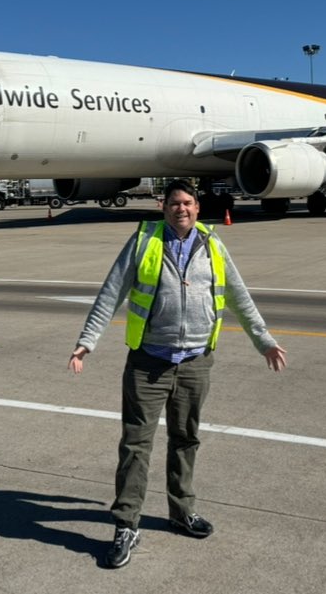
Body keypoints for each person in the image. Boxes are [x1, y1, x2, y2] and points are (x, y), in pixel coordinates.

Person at [68, 179, 287, 569]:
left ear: (197, 208)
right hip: (149, 362)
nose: (180, 209)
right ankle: (126, 524)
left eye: (187, 203)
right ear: (163, 207)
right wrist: (88, 340)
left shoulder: (214, 245)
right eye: (173, 203)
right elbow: (111, 291)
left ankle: (181, 510)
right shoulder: (143, 241)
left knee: (186, 439)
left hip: (195, 362)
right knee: (136, 445)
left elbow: (239, 296)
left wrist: (264, 340)